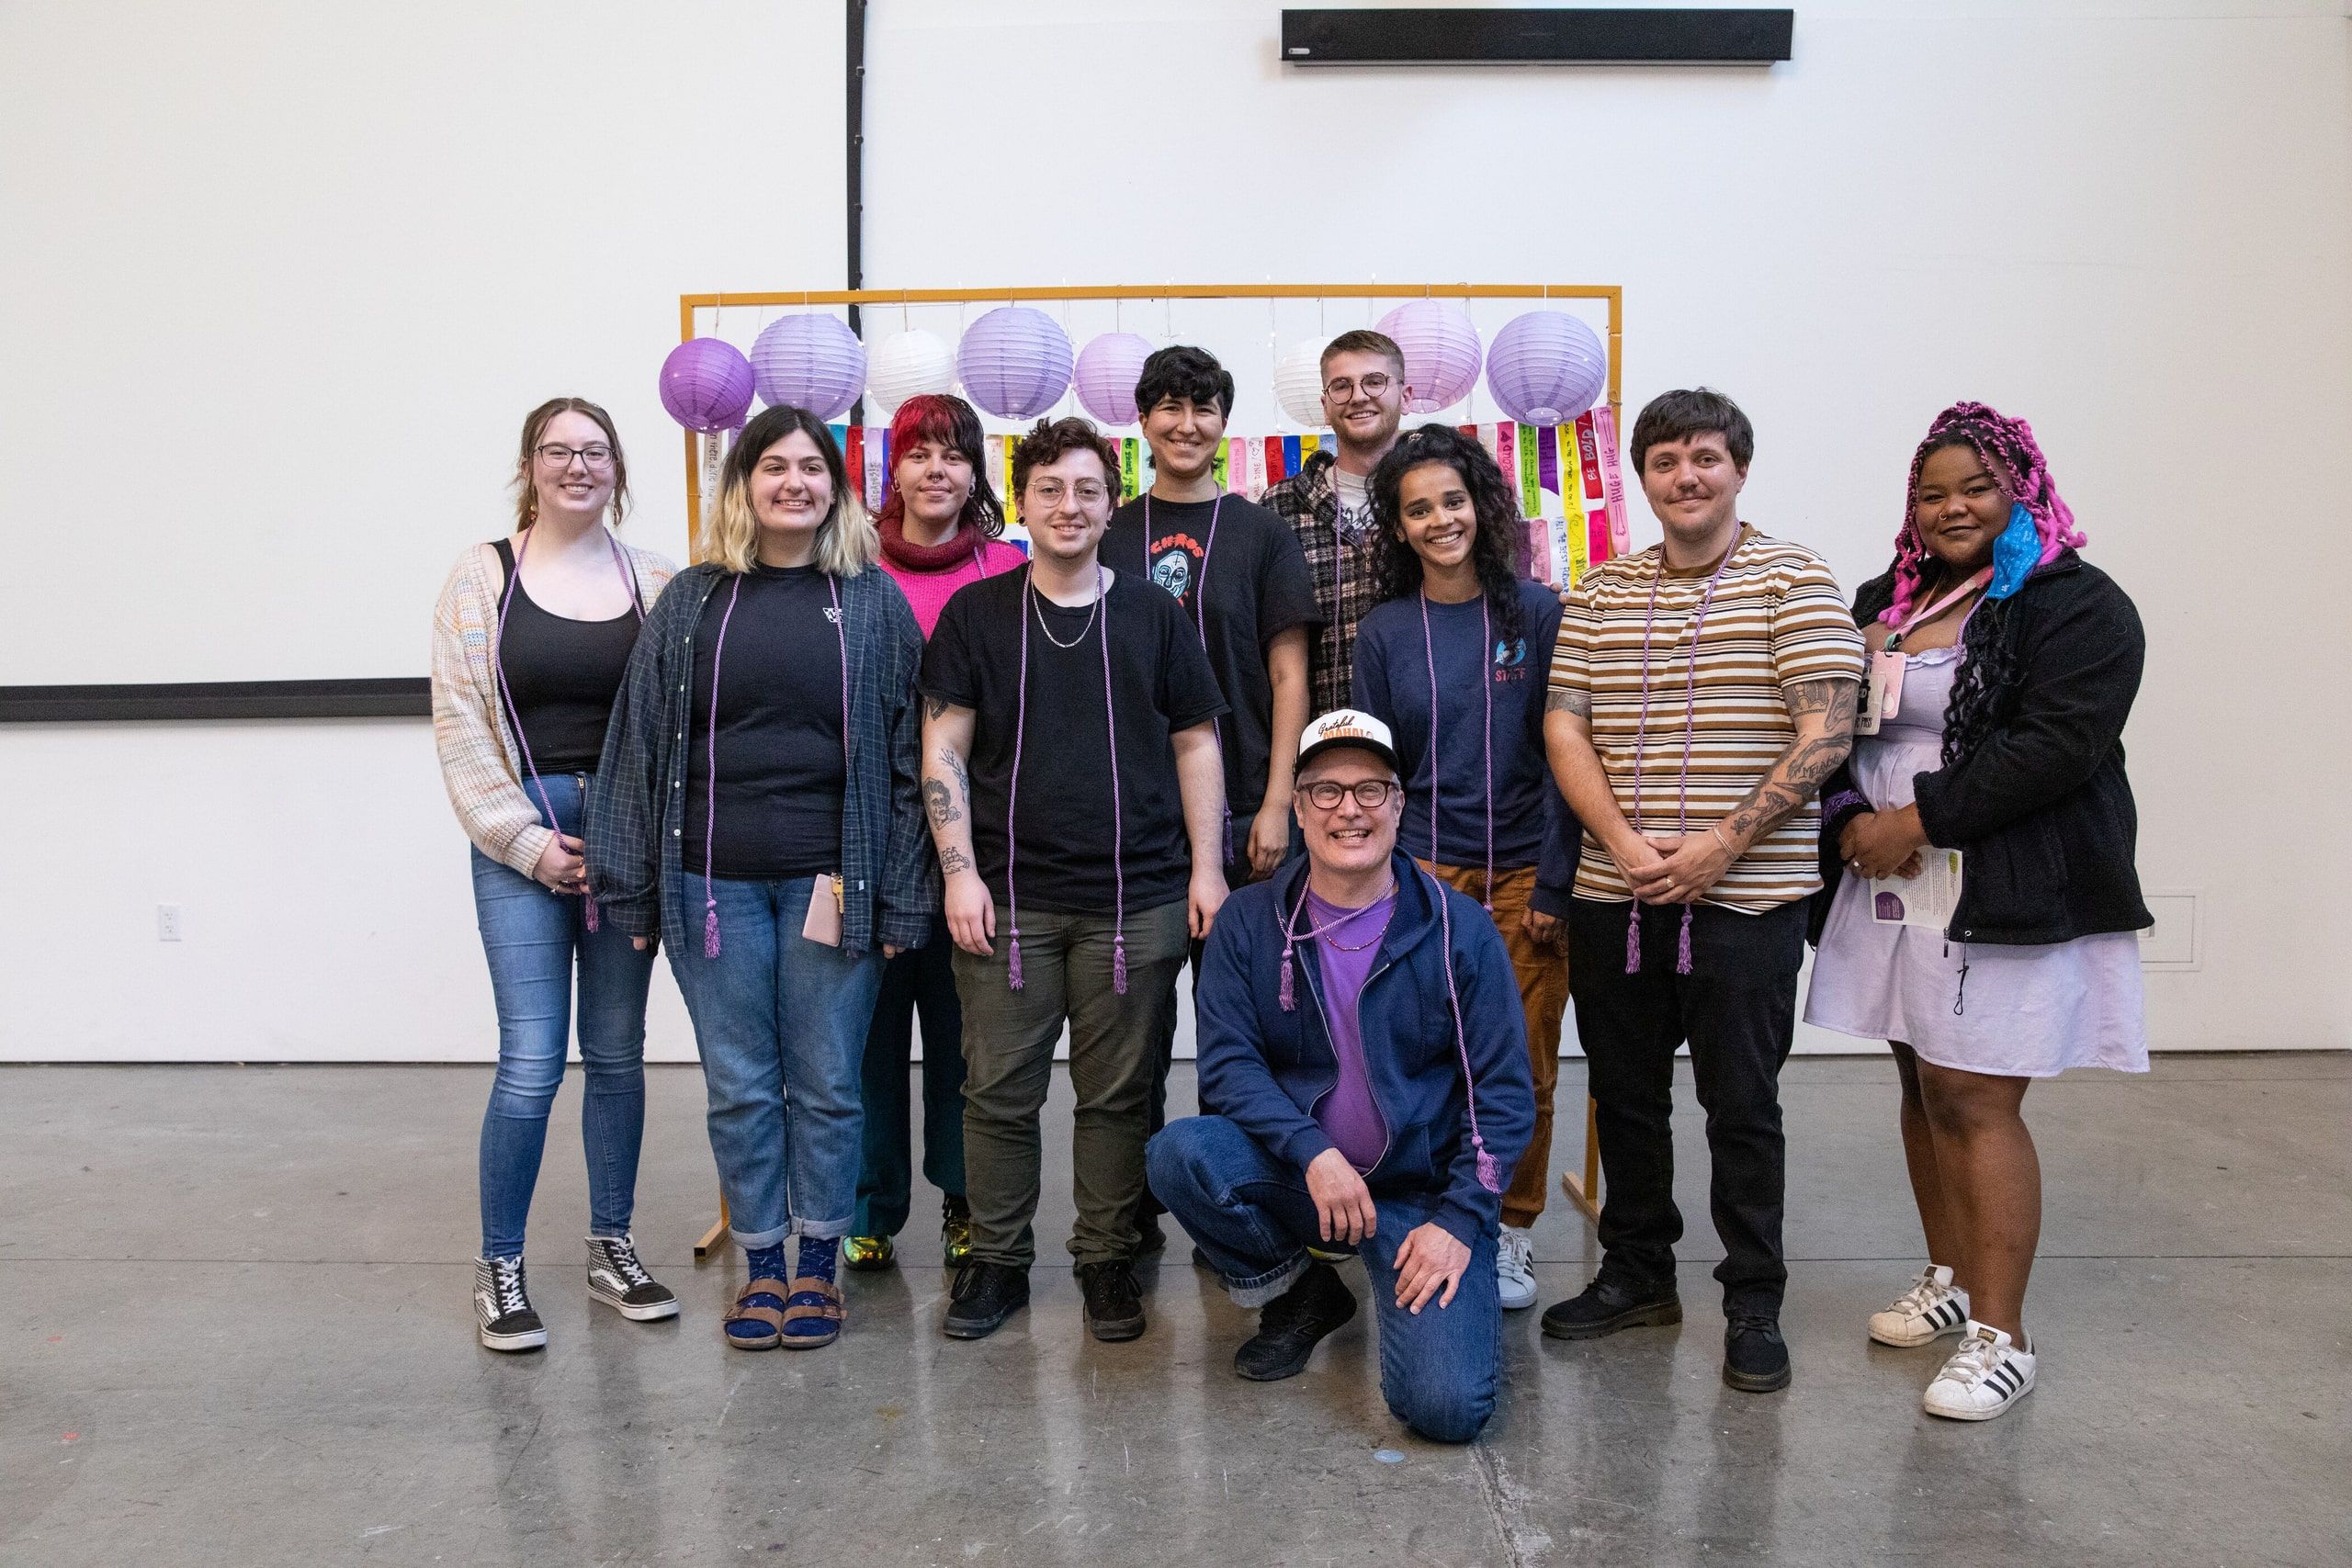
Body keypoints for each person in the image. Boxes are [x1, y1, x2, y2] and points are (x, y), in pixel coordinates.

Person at [1806, 400, 2150, 1421]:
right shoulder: (1892, 598)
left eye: (1975, 487)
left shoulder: (2075, 606)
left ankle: (2004, 1335)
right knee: (1919, 1078)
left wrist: (1916, 818)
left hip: (2000, 877)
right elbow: (1830, 726)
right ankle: (1951, 1282)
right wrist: (1844, 818)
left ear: (2021, 490)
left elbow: (2055, 748)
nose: (1952, 506)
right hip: (1890, 880)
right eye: (1932, 491)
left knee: (1975, 1095)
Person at [588, 405, 931, 1352]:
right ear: (744, 486)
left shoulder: (869, 601)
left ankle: (818, 1262)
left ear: (836, 487)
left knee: (827, 1084)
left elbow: (910, 759)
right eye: (772, 467)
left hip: (836, 885)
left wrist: (903, 892)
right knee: (741, 1087)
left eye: (810, 468)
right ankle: (763, 1264)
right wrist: (630, 887)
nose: (793, 483)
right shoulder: (694, 601)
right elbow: (638, 745)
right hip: (709, 886)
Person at [1540, 388, 1862, 1393]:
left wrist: (1724, 842)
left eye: (1706, 458)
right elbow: (1564, 726)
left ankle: (1753, 1299)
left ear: (1739, 469)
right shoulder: (1601, 592)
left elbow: (1828, 731)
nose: (1686, 476)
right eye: (1666, 460)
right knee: (1626, 1099)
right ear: (1641, 477)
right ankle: (1637, 1273)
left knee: (1741, 1106)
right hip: (1615, 893)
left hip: (1748, 900)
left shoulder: (1792, 579)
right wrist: (1623, 842)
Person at [920, 414, 1229, 1343]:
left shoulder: (1151, 614)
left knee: (1115, 1097)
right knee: (999, 1094)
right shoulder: (977, 615)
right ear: (1023, 501)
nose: (1068, 505)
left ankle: (1104, 1259)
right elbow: (942, 749)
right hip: (1005, 899)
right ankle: (998, 1265)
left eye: (1087, 489)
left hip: (1135, 903)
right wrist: (958, 875)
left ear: (1110, 503)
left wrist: (1206, 869)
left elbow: (1196, 743)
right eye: (1049, 488)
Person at [1146, 710, 1534, 1444]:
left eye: (1370, 789)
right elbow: (1228, 1066)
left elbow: (1504, 1096)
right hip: (1307, 1179)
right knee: (1180, 1154)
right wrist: (1314, 1153)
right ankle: (1301, 1294)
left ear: (1399, 804)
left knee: (1447, 1409)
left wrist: (1457, 1222)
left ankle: (1438, 1282)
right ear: (1295, 807)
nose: (1348, 809)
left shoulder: (1459, 928)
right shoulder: (1250, 922)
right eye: (1325, 791)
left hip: (1420, 1199)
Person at [433, 397, 678, 1352]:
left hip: (625, 840)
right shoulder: (478, 578)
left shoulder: (656, 581)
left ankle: (610, 1247)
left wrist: (637, 839)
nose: (578, 466)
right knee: (531, 1060)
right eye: (557, 451)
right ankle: (501, 1266)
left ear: (618, 467)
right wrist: (527, 842)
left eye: (595, 451)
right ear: (530, 466)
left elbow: (674, 728)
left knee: (617, 1050)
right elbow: (459, 729)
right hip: (522, 838)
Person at [1351, 423, 1574, 1314]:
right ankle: (1425, 1216)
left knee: (1524, 1064)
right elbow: (1370, 776)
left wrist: (1556, 882)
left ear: (1480, 506)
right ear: (1399, 529)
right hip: (1422, 877)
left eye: (1452, 501)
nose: (1439, 520)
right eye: (1418, 509)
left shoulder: (1539, 611)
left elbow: (1569, 758)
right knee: (1418, 1063)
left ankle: (1510, 1233)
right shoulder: (1384, 632)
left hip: (1525, 873)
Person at [1102, 346, 1321, 1246]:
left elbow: (1288, 676)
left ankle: (1246, 1200)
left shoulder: (1261, 532)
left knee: (1260, 1026)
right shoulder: (1109, 532)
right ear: (1142, 422)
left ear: (1223, 421)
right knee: (1136, 1029)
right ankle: (1138, 1209)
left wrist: (1276, 803)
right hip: (1142, 824)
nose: (1184, 422)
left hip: (1248, 820)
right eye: (1166, 406)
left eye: (1201, 406)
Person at [844, 393, 1027, 1275]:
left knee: (966, 1038)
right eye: (920, 453)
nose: (937, 470)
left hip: (976, 844)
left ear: (975, 471)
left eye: (954, 455)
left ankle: (964, 1198)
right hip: (873, 838)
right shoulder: (850, 567)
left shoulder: (1010, 568)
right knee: (870, 1034)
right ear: (895, 469)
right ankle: (870, 1203)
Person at [1261, 330, 1413, 715]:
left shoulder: (1441, 502)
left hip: (1432, 746)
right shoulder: (1279, 508)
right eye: (1341, 386)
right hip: (1320, 746)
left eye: (1375, 382)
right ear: (1326, 406)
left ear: (1405, 396)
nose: (1359, 396)